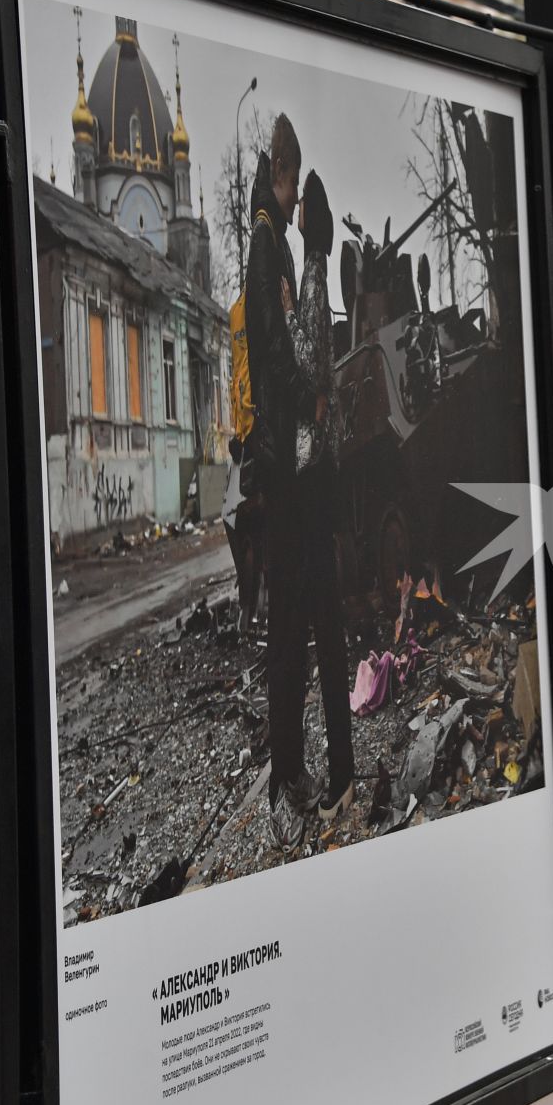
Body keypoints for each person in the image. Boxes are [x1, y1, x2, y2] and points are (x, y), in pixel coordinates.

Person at [244, 114, 317, 848]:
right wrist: (307, 392)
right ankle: (285, 773)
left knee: (291, 621)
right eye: (293, 184)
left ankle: (287, 766)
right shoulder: (267, 244)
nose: (298, 203)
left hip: (280, 457)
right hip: (280, 459)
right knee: (288, 624)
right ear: (279, 173)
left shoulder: (272, 241)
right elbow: (271, 349)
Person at [283, 169, 356, 826]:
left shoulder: (309, 276)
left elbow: (305, 364)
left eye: (302, 204)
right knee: (326, 634)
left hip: (308, 488)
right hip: (322, 484)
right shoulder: (323, 272)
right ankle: (341, 771)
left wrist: (280, 315)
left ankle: (340, 777)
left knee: (323, 638)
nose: (296, 211)